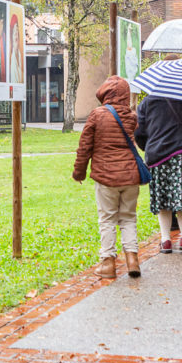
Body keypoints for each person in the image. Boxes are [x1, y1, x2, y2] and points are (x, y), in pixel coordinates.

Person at [73, 76, 142, 279]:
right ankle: (132, 259)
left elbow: (84, 146)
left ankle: (108, 263)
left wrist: (79, 172)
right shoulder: (131, 116)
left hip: (106, 177)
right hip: (130, 176)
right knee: (129, 218)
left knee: (107, 219)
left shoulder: (97, 115)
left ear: (105, 93)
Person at [135, 91, 182, 254]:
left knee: (162, 197)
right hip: (179, 153)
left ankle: (165, 240)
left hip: (156, 156)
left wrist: (150, 146)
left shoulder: (147, 102)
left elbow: (139, 132)